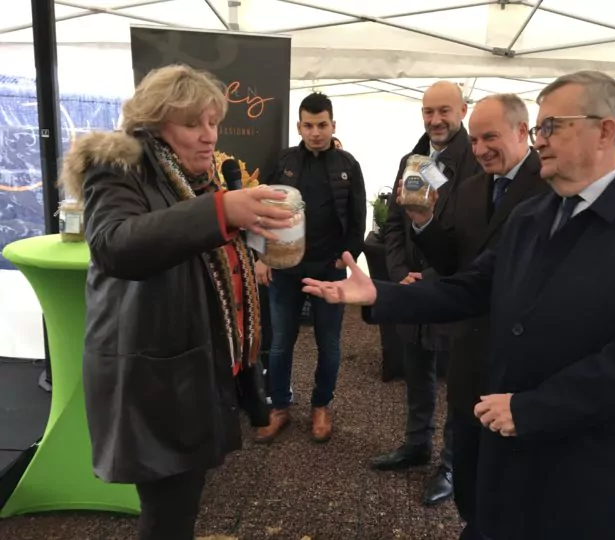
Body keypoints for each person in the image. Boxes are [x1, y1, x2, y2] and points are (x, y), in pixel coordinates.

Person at [301, 70, 615, 540]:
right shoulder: (533, 215)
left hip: (595, 468)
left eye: (552, 126)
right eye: (538, 128)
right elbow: (471, 286)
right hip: (511, 451)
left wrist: (535, 408)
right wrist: (382, 293)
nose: (540, 140)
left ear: (605, 130)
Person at [57, 64, 294, 540]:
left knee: (181, 506)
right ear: (153, 122)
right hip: (155, 378)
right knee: (168, 515)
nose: (209, 136)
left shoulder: (187, 175)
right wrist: (221, 211)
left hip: (184, 370)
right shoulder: (121, 167)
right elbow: (115, 245)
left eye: (213, 122)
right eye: (193, 124)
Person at [407, 93, 548, 535]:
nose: (481, 148)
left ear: (523, 131)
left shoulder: (551, 185)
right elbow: (454, 263)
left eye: (491, 137)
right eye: (476, 139)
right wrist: (424, 221)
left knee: (514, 474)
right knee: (468, 460)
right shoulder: (468, 188)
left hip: (525, 357)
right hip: (470, 349)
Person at [373, 80, 480, 507]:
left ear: (463, 110)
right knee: (416, 371)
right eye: (428, 111)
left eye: (444, 111)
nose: (435, 119)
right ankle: (417, 445)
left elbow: (470, 236)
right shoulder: (413, 159)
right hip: (412, 289)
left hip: (451, 292)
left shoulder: (476, 163)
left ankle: (452, 463)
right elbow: (396, 224)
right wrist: (401, 274)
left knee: (456, 381)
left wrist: (433, 279)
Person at [254, 92, 366, 444]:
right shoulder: (284, 161)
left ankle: (321, 406)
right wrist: (260, 256)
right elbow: (263, 210)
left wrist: (347, 254)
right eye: (308, 125)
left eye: (322, 125)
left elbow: (358, 217)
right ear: (299, 126)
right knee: (279, 343)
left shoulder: (349, 165)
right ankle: (280, 407)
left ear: (333, 125)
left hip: (329, 270)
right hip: (284, 268)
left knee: (329, 343)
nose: (315, 132)